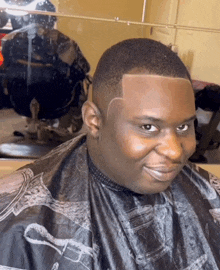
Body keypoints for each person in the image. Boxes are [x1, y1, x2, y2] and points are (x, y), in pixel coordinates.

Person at [0, 38, 220, 270]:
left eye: (183, 127)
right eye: (148, 127)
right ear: (94, 121)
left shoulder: (213, 195)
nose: (175, 152)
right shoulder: (18, 221)